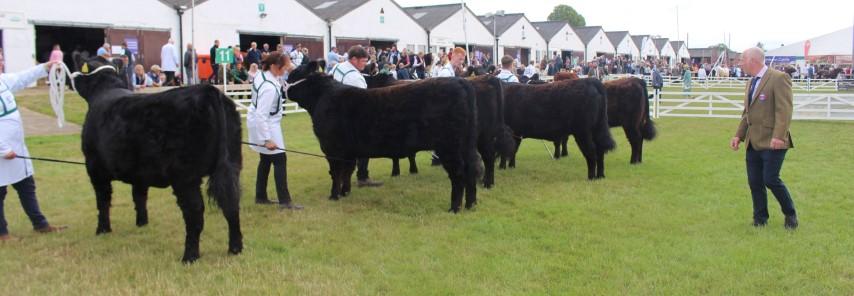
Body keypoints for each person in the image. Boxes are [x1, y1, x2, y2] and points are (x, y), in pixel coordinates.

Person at [729, 47, 797, 229]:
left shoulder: (778, 78)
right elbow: (747, 113)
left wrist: (779, 136)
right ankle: (760, 219)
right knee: (755, 182)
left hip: (773, 141)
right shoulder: (750, 82)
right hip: (753, 141)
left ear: (753, 60)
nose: (740, 63)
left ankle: (790, 214)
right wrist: (739, 135)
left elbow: (784, 110)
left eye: (742, 59)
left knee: (770, 179)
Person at [0, 55, 67, 241]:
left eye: (1, 59)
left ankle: (40, 224)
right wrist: (3, 149)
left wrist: (45, 68)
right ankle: (2, 233)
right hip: (3, 152)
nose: (1, 63)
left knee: (26, 185)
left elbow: (22, 78)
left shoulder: (3, 81)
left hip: (16, 149)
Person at [247, 52, 302, 210]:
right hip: (267, 124)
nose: (285, 70)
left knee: (265, 160)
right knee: (279, 160)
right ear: (273, 66)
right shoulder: (269, 88)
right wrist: (267, 139)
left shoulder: (262, 75)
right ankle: (285, 201)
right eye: (283, 68)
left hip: (263, 121)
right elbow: (261, 115)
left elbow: (253, 73)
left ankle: (260, 196)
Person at [328, 46, 383, 187]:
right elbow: (364, 102)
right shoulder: (355, 77)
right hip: (352, 117)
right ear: (354, 59)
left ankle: (340, 178)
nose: (365, 65)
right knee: (364, 147)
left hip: (334, 115)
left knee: (340, 150)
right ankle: (362, 177)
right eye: (363, 61)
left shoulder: (337, 68)